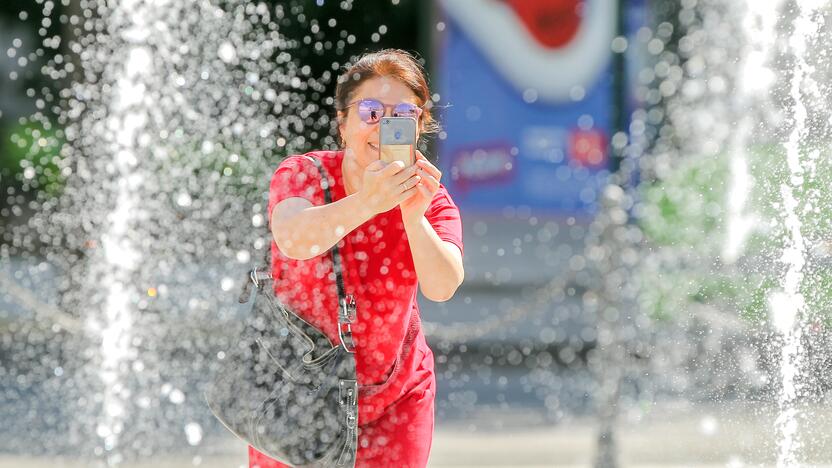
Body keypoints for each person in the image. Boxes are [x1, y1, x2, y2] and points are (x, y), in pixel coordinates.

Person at [249, 49, 465, 467]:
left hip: (396, 398)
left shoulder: (430, 198)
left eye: (402, 114)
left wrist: (412, 215)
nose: (384, 127)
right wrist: (367, 202)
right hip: (295, 389)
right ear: (343, 124)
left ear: (419, 128)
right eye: (370, 112)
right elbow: (294, 239)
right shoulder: (304, 174)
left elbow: (443, 287)